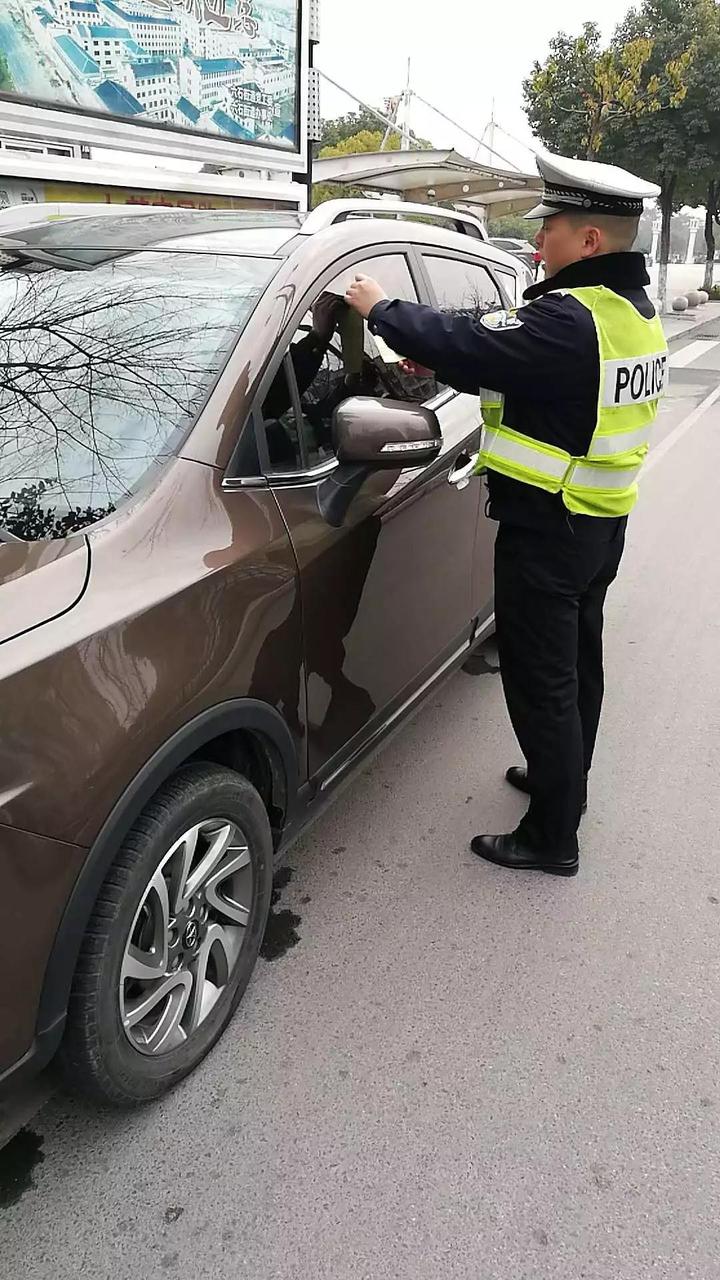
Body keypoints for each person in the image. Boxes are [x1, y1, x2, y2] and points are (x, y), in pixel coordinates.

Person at [345, 151, 668, 878]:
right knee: (579, 667)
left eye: (550, 226)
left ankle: (553, 836)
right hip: (598, 521)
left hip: (550, 530)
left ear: (589, 241)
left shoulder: (569, 320)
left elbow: (468, 345)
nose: (538, 239)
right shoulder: (628, 314)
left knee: (540, 681)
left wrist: (381, 309)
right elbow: (494, 359)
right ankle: (565, 779)